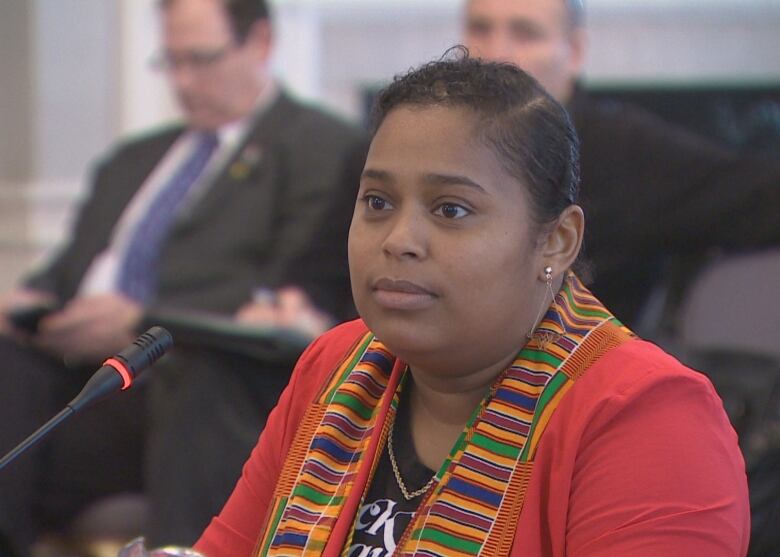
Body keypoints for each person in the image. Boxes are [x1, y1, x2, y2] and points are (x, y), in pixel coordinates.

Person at [193, 53, 749, 557]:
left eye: (451, 210)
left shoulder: (649, 415)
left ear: (556, 240)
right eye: (378, 201)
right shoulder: (331, 368)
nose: (398, 239)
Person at [0, 0, 366, 553]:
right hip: (72, 375)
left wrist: (142, 320)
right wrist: (29, 301)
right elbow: (69, 268)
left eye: (201, 59)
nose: (185, 81)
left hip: (179, 379)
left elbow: (286, 292)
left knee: (196, 379)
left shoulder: (319, 148)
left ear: (260, 43)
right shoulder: (135, 158)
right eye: (171, 62)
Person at [462, 0, 780, 327]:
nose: (495, 53)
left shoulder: (621, 150)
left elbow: (761, 195)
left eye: (526, 34)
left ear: (574, 52)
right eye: (480, 29)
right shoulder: (440, 144)